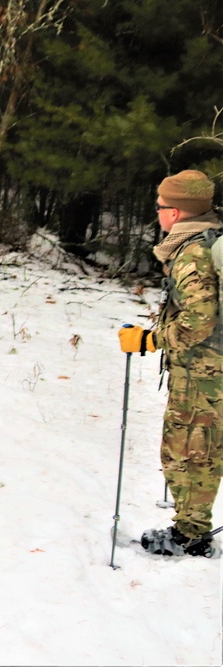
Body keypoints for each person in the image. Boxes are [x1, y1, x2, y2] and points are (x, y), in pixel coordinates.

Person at [118, 169, 222, 557]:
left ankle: (190, 536)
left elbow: (199, 320)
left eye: (160, 206)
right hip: (209, 370)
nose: (157, 212)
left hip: (203, 373)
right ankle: (192, 527)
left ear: (176, 213)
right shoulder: (207, 240)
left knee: (190, 451)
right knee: (203, 447)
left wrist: (150, 340)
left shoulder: (191, 254)